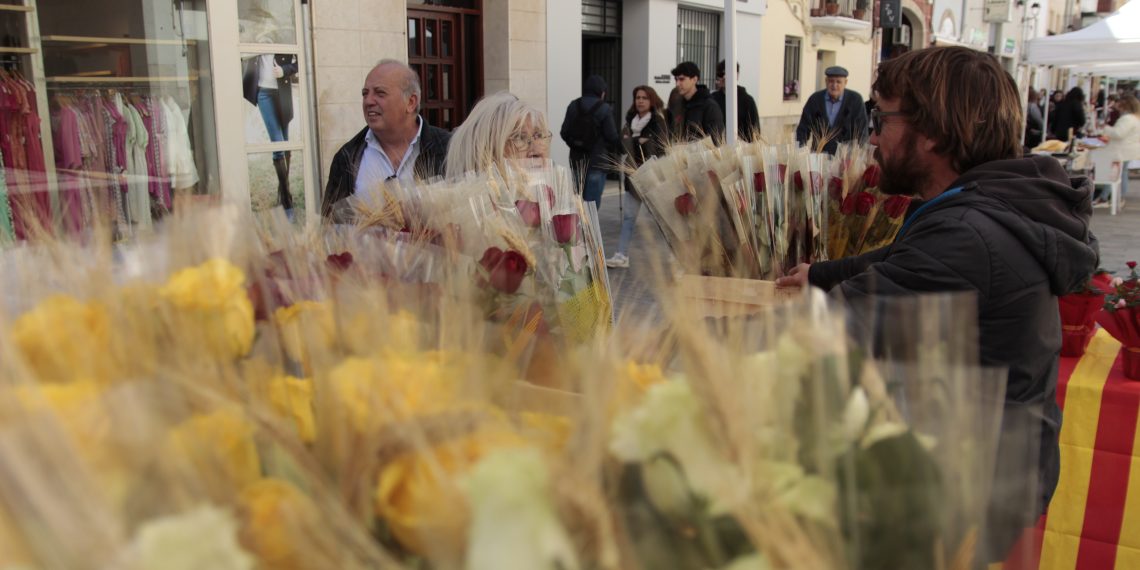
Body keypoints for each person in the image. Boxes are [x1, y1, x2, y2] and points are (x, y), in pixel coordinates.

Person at [776, 46, 1099, 562]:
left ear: (935, 133)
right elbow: (904, 256)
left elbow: (811, 338)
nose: (873, 135)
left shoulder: (966, 237)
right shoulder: (990, 203)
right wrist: (820, 272)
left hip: (964, 497)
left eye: (883, 118)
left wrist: (677, 341)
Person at [321, 60, 451, 219]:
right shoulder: (346, 157)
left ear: (410, 102)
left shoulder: (448, 148)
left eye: (380, 93)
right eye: (365, 93)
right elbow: (331, 230)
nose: (368, 101)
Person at [606, 86, 668, 269]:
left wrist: (636, 142)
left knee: (663, 219)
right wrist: (637, 141)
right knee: (629, 217)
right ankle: (621, 254)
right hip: (632, 176)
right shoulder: (629, 122)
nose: (640, 101)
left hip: (652, 176)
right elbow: (621, 146)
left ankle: (677, 258)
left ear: (652, 100)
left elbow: (660, 147)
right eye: (637, 97)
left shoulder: (658, 121)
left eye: (644, 98)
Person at [242, 53, 298, 219]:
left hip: (283, 94)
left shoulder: (281, 35)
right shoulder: (256, 37)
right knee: (278, 145)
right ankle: (287, 201)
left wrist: (285, 70)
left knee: (285, 145)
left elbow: (302, 61)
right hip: (264, 94)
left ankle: (283, 192)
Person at [446, 91, 551, 179]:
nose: (537, 151)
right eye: (519, 137)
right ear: (486, 151)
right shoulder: (465, 202)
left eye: (538, 135)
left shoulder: (553, 198)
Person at [559, 75, 620, 212]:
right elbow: (611, 136)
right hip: (597, 161)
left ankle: (578, 231)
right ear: (602, 91)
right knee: (591, 205)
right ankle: (589, 232)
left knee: (578, 202)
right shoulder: (604, 109)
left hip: (576, 161)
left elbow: (564, 132)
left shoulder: (573, 105)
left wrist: (577, 144)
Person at [794, 66, 868, 154]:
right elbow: (803, 129)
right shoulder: (815, 99)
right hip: (819, 156)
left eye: (838, 82)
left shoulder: (855, 100)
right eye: (831, 81)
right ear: (826, 81)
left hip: (845, 159)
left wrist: (859, 155)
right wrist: (800, 152)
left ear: (845, 82)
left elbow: (862, 131)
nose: (834, 85)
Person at [1093, 94, 1140, 207]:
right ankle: (1116, 197)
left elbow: (1118, 134)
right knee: (1121, 174)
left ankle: (1106, 197)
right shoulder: (1135, 117)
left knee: (1111, 174)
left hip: (1120, 150)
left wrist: (1105, 128)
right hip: (1127, 150)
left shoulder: (1127, 119)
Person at [666, 61, 724, 143]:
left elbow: (715, 139)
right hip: (679, 154)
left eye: (682, 79)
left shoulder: (709, 106)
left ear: (694, 79)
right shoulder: (677, 105)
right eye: (676, 79)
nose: (677, 83)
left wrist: (689, 149)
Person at [711, 60, 760, 142]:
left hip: (741, 150)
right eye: (720, 74)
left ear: (737, 75)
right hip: (717, 150)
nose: (723, 77)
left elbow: (755, 131)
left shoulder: (747, 101)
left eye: (727, 74)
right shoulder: (713, 99)